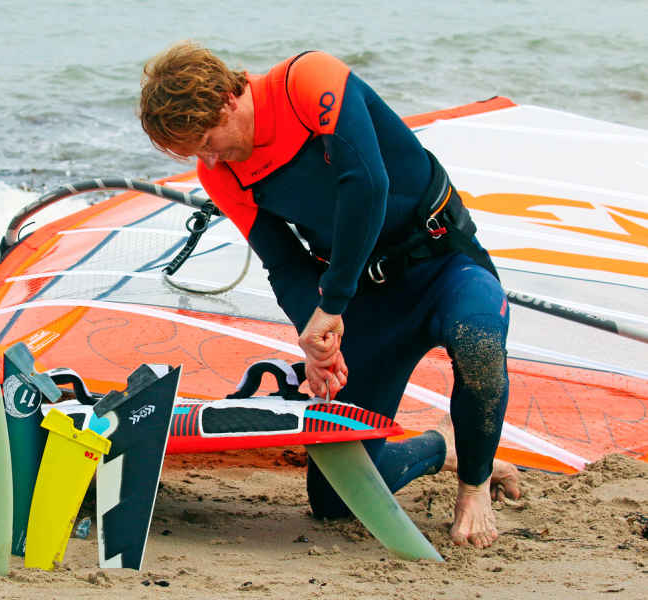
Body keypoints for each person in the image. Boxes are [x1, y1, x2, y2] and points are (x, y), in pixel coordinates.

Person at [138, 40, 521, 548]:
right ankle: (439, 446)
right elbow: (284, 262)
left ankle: (474, 487)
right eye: (196, 153)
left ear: (228, 99)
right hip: (368, 301)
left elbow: (366, 184)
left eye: (209, 139)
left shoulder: (308, 81)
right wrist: (314, 339)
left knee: (478, 337)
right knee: (334, 502)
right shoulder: (221, 172)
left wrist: (331, 305)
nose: (209, 158)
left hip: (443, 262)